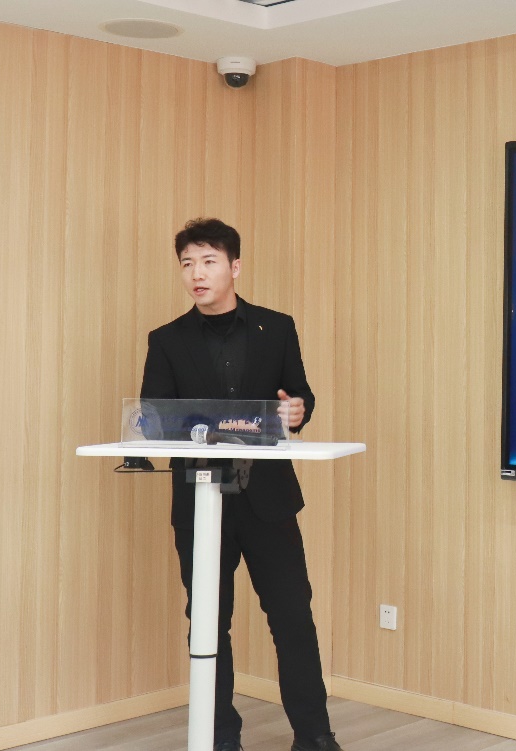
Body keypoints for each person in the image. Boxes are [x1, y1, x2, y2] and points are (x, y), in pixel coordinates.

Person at [139, 218, 344, 751]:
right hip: (201, 499)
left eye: (208, 262)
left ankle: (315, 735)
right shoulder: (166, 340)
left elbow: (298, 396)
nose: (196, 274)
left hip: (268, 498)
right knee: (209, 621)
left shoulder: (277, 328)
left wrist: (298, 410)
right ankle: (219, 736)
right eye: (187, 264)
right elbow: (154, 417)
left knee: (293, 617)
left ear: (234, 267)